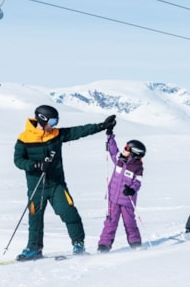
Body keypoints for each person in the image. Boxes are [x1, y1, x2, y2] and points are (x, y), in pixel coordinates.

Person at [13, 104, 117, 261]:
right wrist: (35, 165)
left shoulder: (56, 134)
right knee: (35, 219)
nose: (55, 125)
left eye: (56, 122)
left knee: (69, 212)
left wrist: (102, 126)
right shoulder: (24, 138)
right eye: (52, 122)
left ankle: (78, 244)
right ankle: (34, 249)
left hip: (56, 185)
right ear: (42, 119)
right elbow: (18, 160)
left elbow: (79, 131)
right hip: (36, 186)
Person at [97, 125, 146, 253]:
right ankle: (104, 245)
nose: (123, 150)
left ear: (134, 154)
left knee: (129, 223)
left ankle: (135, 243)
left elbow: (138, 182)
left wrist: (132, 190)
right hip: (113, 199)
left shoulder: (137, 168)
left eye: (126, 149)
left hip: (127, 201)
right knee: (110, 222)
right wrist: (110, 136)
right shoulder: (120, 160)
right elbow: (113, 150)